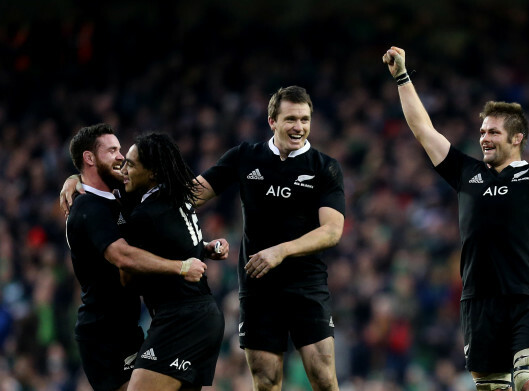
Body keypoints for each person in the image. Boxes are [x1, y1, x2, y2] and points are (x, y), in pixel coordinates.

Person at [382, 45, 529, 391]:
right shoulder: (466, 172)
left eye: (493, 132)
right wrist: (402, 77)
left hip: (527, 297)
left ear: (517, 137)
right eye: (482, 132)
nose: (484, 138)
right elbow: (423, 130)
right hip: (479, 301)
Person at [195, 85, 346, 391]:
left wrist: (281, 251)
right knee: (265, 382)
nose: (299, 127)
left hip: (307, 285)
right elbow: (191, 195)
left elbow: (332, 231)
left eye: (305, 119)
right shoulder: (245, 157)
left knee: (324, 380)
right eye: (291, 119)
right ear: (272, 121)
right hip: (258, 287)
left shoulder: (325, 167)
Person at [64, 124, 214, 391]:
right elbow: (123, 255)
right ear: (89, 158)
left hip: (132, 328)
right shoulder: (87, 207)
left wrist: (202, 247)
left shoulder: (121, 196)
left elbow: (160, 234)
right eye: (112, 150)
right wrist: (181, 266)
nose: (121, 157)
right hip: (102, 333)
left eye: (121, 150)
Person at [120, 133, 226, 391]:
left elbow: (127, 276)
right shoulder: (177, 198)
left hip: (181, 320)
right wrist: (205, 248)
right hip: (201, 315)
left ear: (153, 173)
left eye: (131, 165)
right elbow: (179, 246)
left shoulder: (145, 215)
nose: (123, 170)